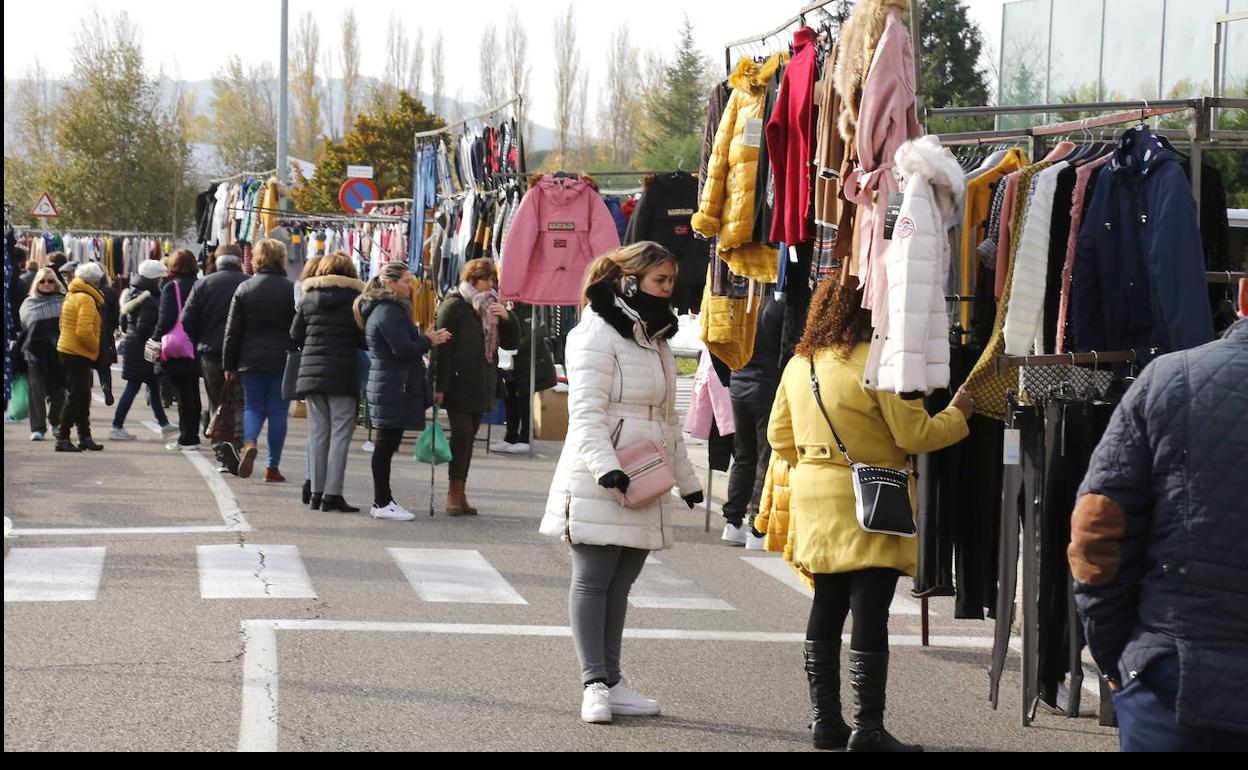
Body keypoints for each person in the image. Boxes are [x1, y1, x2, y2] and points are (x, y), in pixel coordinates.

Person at [767, 280, 972, 752]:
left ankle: (825, 722)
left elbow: (780, 437)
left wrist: (819, 463)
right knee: (870, 608)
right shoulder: (879, 365)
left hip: (815, 493)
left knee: (827, 602)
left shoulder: (801, 363)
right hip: (873, 494)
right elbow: (916, 434)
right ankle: (869, 727)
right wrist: (960, 414)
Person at [1068, 262, 1248, 752]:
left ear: (1243, 296)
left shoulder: (1170, 379)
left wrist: (1116, 659)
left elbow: (1097, 532)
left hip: (1174, 676)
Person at [539, 242, 704, 724]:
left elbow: (666, 417)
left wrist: (687, 480)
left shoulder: (655, 338)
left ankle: (613, 680)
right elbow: (586, 411)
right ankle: (593, 684)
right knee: (593, 577)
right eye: (661, 281)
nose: (669, 290)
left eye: (671, 281)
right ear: (629, 281)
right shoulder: (595, 332)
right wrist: (604, 466)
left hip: (646, 471)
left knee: (622, 580)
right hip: (603, 473)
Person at [355, 262, 451, 521]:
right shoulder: (389, 310)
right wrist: (428, 341)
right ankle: (382, 501)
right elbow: (402, 349)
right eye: (407, 281)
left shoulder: (386, 310)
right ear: (390, 283)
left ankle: (383, 500)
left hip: (391, 382)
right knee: (386, 445)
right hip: (393, 384)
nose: (411, 287)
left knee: (387, 444)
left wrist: (423, 340)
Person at [433, 258, 519, 514]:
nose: (491, 284)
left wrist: (507, 318)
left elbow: (510, 344)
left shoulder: (491, 306)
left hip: (482, 382)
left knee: (469, 439)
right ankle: (453, 492)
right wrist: (439, 386)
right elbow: (442, 349)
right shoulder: (454, 306)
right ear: (472, 279)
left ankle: (460, 493)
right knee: (461, 437)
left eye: (493, 280)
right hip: (458, 383)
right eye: (487, 279)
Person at [291, 252, 366, 513]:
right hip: (342, 373)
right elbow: (363, 340)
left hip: (311, 375)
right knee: (341, 435)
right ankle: (332, 494)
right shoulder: (356, 301)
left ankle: (316, 493)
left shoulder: (308, 298)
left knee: (319, 434)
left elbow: (295, 334)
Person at [223, 239, 297, 481]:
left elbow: (232, 331)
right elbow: (298, 328)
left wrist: (229, 364)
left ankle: (249, 442)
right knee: (278, 411)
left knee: (253, 406)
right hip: (282, 359)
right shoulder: (291, 289)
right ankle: (272, 467)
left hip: (250, 358)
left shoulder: (245, 289)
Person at [721, 291, 785, 547]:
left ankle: (732, 521)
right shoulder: (778, 303)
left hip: (739, 385)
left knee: (743, 456)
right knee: (764, 458)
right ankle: (755, 527)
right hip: (767, 385)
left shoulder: (739, 299)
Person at [182, 244, 248, 472]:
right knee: (239, 402)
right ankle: (237, 445)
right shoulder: (248, 283)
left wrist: (200, 339)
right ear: (240, 260)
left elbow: (187, 319)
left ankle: (221, 452)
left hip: (210, 353)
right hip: (241, 353)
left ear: (217, 261)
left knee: (216, 402)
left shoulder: (204, 284)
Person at [110, 260, 177, 441]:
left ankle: (164, 424)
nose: (163, 280)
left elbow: (125, 323)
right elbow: (144, 329)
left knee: (152, 385)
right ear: (155, 278)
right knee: (134, 386)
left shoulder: (136, 293)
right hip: (143, 348)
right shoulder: (150, 298)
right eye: (161, 277)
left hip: (136, 346)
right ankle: (116, 426)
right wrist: (154, 344)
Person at [54, 261, 109, 453]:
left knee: (82, 396)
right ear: (94, 281)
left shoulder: (72, 295)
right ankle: (63, 436)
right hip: (77, 352)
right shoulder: (86, 299)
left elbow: (63, 324)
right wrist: (95, 349)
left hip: (68, 349)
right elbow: (84, 332)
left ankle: (85, 436)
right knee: (78, 397)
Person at [152, 249, 202, 451]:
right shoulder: (200, 284)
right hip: (196, 344)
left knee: (183, 394)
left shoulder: (172, 287)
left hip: (177, 346)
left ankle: (187, 438)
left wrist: (154, 340)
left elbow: (166, 318)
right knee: (193, 391)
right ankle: (192, 436)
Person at [491, 303, 557, 455]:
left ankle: (525, 438)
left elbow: (535, 334)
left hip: (529, 362)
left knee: (524, 401)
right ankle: (510, 436)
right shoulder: (508, 307)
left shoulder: (531, 308)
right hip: (511, 363)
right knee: (510, 398)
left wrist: (512, 347)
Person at [17, 267, 66, 441]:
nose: (46, 284)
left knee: (58, 392)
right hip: (34, 354)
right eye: (42, 281)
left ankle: (55, 422)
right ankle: (37, 428)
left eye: (50, 281)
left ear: (56, 283)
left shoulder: (64, 301)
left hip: (59, 354)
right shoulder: (28, 303)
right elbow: (24, 327)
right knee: (36, 391)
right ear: (36, 283)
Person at [93, 274, 120, 407]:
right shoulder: (110, 292)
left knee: (86, 366)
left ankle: (86, 392)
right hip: (106, 332)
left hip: (90, 330)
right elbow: (116, 314)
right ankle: (106, 386)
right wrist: (112, 327)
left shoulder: (86, 291)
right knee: (104, 365)